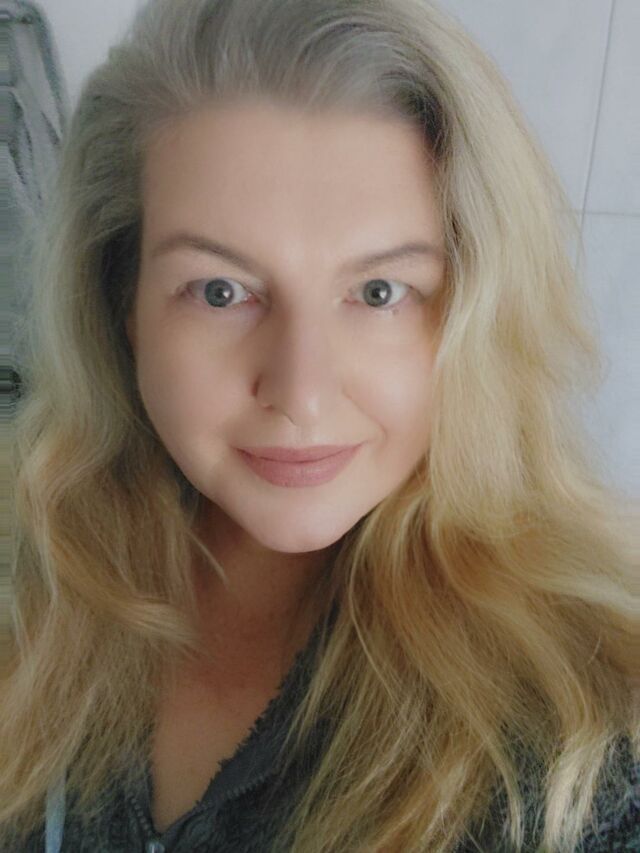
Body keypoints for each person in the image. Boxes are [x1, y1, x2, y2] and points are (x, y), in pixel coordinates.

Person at [2, 0, 638, 851]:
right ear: (122, 304)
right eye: (220, 291)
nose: (301, 394)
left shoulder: (590, 729)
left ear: (477, 311)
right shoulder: (26, 579)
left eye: (379, 293)